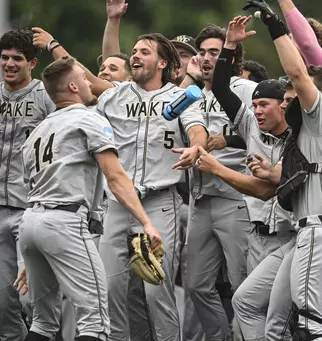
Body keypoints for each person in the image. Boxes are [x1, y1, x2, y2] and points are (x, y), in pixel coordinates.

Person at [17, 55, 162, 341]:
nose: (88, 82)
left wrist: (31, 252)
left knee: (43, 324)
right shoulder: (88, 117)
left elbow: (28, 186)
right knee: (95, 323)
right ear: (72, 86)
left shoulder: (38, 131)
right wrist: (146, 222)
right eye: (83, 78)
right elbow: (116, 177)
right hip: (64, 222)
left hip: (30, 222)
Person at [244, 2, 322, 340]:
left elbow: (298, 71)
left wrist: (275, 27)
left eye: (292, 95)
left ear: (319, 94)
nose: (286, 99)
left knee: (312, 330)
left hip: (321, 232)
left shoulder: (321, 113)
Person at [88, 32, 207, 341]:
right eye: (135, 51)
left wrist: (196, 147)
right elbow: (83, 80)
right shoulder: (118, 93)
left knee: (157, 291)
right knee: (112, 290)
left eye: (145, 51)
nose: (136, 56)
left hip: (160, 202)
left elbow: (197, 130)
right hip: (118, 203)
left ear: (162, 62)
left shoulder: (179, 96)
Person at [205, 16, 295, 340]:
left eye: (264, 105)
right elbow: (220, 88)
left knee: (285, 319)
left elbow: (272, 187)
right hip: (257, 235)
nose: (256, 111)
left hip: (289, 235)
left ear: (283, 107)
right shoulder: (249, 126)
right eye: (254, 104)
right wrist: (229, 45)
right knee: (250, 309)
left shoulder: (301, 136)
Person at [178, 23, 256, 341]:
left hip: (235, 196)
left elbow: (264, 135)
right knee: (195, 284)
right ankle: (220, 337)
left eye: (214, 51)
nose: (207, 57)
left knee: (242, 284)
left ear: (229, 54)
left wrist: (225, 139)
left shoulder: (245, 89)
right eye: (203, 52)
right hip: (200, 197)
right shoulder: (194, 94)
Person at [0, 28, 55, 341]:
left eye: (17, 58)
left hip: (31, 209)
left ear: (32, 63)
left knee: (31, 295)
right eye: (5, 57)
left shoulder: (46, 97)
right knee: (2, 301)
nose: (9, 63)